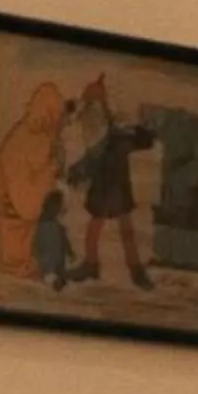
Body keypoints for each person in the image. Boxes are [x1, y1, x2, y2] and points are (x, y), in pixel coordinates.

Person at [65, 76, 158, 291]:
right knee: (98, 225)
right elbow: (93, 151)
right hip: (104, 183)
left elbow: (140, 141)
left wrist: (143, 130)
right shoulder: (95, 122)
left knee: (123, 228)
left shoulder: (116, 129)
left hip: (116, 184)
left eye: (97, 100)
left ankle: (135, 271)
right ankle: (92, 265)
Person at [0, 80, 68, 281]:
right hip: (15, 196)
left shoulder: (34, 135)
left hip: (14, 196)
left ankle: (25, 262)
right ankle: (22, 264)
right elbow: (28, 179)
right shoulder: (31, 138)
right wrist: (53, 166)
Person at [31, 187, 75, 293]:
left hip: (52, 266)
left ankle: (56, 278)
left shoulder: (46, 226)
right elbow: (36, 245)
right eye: (62, 207)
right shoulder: (52, 227)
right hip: (49, 266)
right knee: (51, 273)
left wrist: (70, 253)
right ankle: (55, 279)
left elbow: (35, 245)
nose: (64, 209)